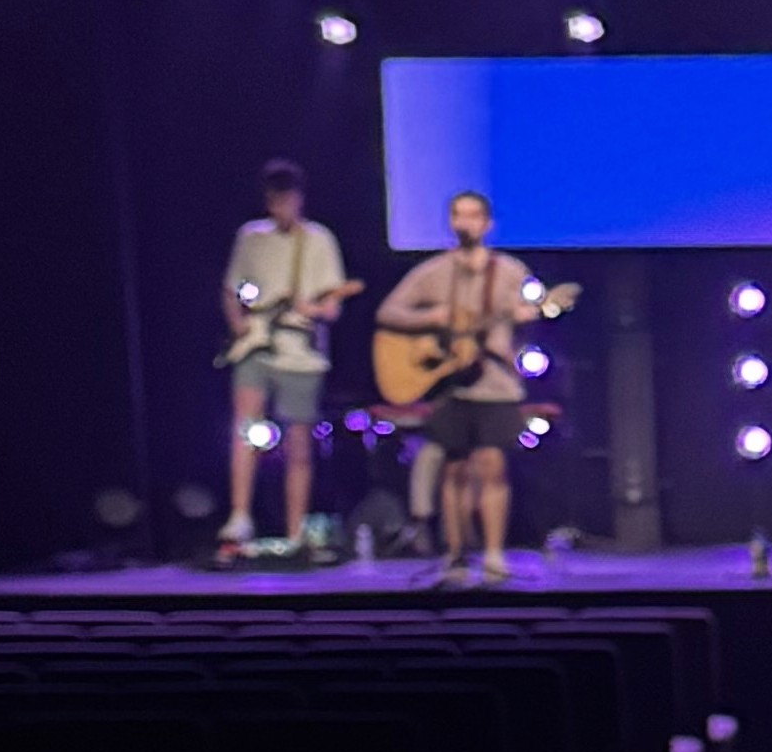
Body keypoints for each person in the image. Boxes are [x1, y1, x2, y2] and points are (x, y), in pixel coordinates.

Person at [378, 189, 561, 588]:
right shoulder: (433, 272)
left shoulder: (509, 271)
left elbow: (532, 316)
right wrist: (433, 318)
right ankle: (456, 554)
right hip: (450, 388)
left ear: (487, 223)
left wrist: (524, 318)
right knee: (454, 468)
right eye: (459, 215)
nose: (466, 223)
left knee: (491, 466)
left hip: (496, 385)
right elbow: (389, 312)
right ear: (451, 222)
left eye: (474, 215)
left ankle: (493, 555)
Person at [217, 158, 363, 562]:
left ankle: (295, 528)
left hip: (301, 353)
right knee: (245, 429)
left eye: (288, 198)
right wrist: (238, 324)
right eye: (275, 199)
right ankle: (240, 516)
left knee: (298, 443)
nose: (282, 206)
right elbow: (230, 288)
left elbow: (333, 305)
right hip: (257, 345)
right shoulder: (251, 237)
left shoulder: (318, 240)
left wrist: (314, 309)